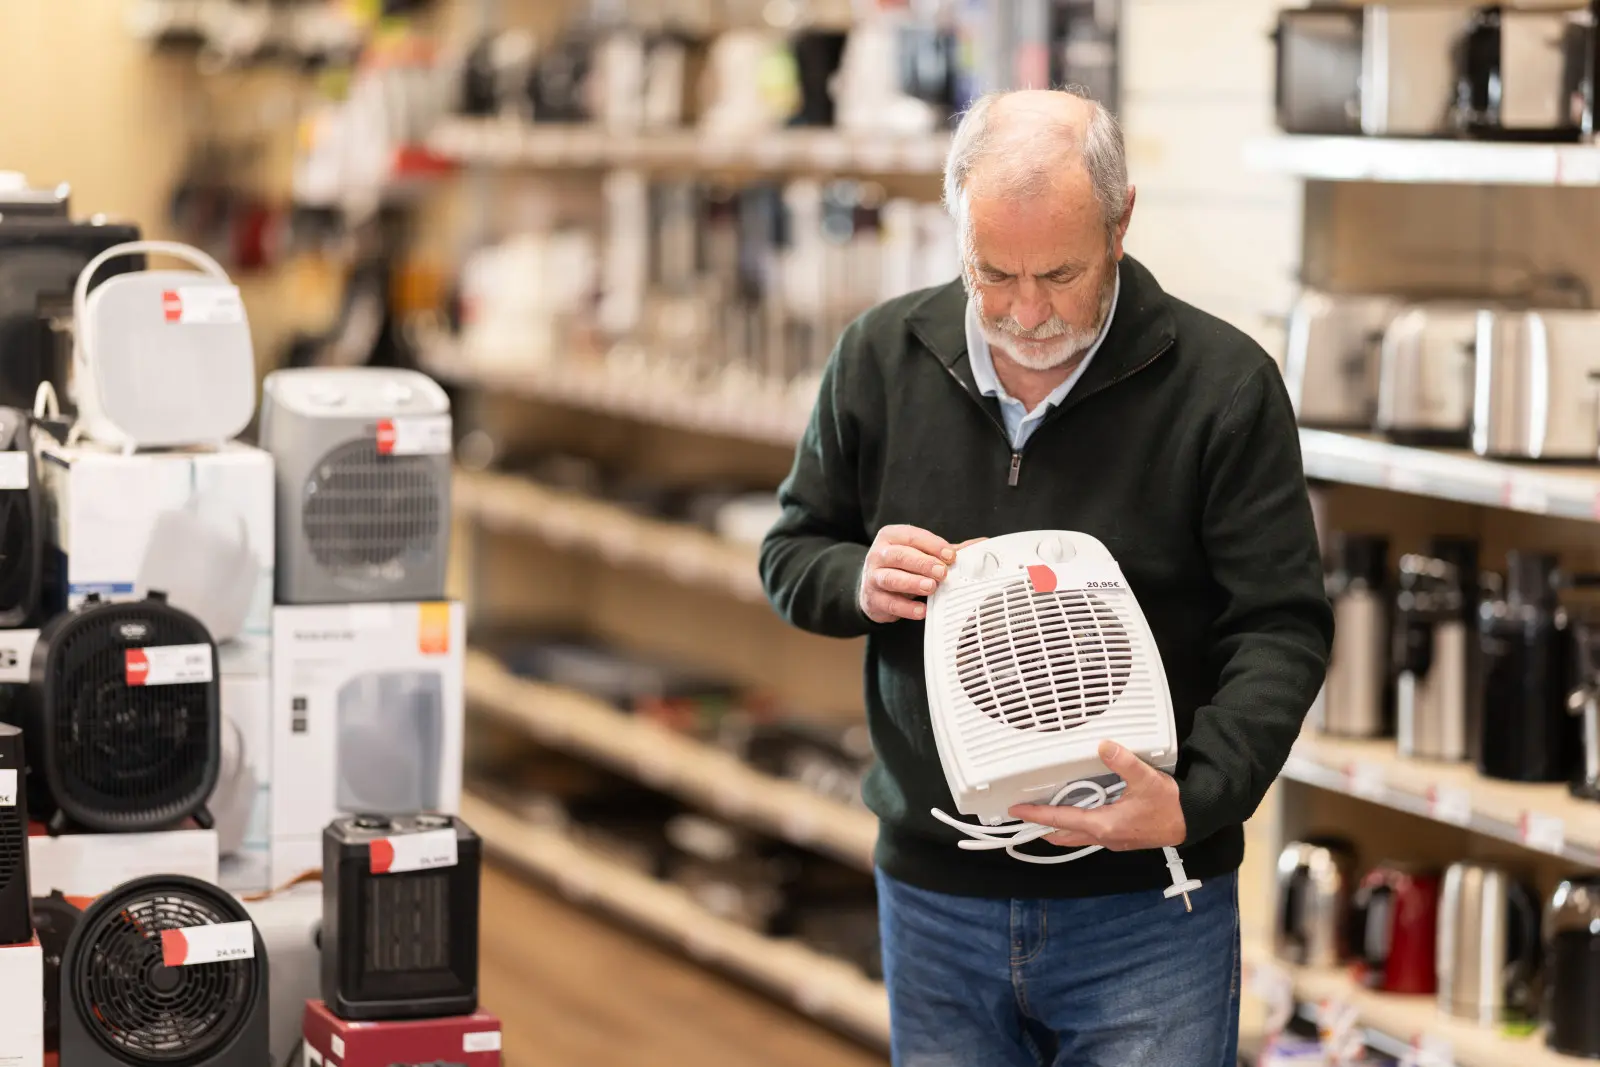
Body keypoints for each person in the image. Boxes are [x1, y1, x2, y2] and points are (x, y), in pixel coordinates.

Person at [758, 87, 1333, 1067]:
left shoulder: (1223, 386)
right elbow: (790, 551)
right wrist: (857, 577)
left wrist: (1196, 796)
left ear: (1120, 224)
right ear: (956, 233)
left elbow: (1280, 626)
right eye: (993, 273)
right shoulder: (878, 359)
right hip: (936, 893)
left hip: (1146, 904)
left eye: (1060, 274)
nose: (1026, 313)